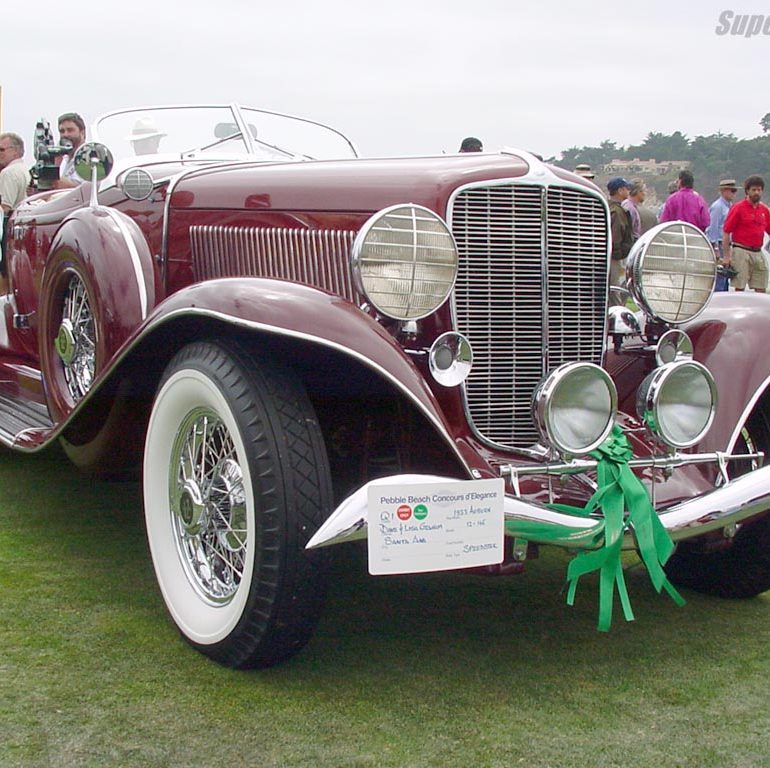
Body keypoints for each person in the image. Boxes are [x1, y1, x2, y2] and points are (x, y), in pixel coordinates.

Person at [722, 175, 770, 293]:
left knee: (761, 286)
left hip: (758, 251)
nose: (756, 193)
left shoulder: (764, 210)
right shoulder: (738, 208)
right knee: (740, 286)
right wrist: (727, 257)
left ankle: (760, 310)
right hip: (741, 251)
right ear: (747, 191)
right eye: (753, 190)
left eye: (759, 190)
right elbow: (726, 232)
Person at [607, 177, 634, 303]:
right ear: (620, 190)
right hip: (613, 256)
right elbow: (616, 235)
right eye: (626, 188)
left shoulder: (610, 208)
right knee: (614, 288)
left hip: (611, 254)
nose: (628, 191)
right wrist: (617, 253)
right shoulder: (617, 211)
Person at [706, 179, 738, 259]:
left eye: (735, 191)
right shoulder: (718, 207)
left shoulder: (730, 206)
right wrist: (715, 249)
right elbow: (713, 228)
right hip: (720, 245)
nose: (734, 193)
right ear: (723, 191)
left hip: (727, 244)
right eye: (732, 191)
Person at [0, 132, 31, 215]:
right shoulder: (26, 170)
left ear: (15, 151)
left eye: (2, 150)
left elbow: (4, 208)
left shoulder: (8, 173)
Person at [55, 112, 87, 188]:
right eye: (62, 131)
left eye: (70, 130)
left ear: (82, 133)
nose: (65, 135)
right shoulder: (64, 159)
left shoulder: (87, 156)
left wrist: (52, 179)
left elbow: (79, 188)